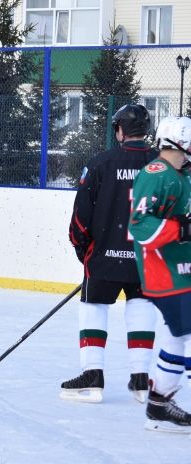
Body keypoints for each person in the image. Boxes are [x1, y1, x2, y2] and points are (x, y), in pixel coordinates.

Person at [61, 104, 158, 403]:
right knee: (141, 306)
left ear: (119, 130)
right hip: (147, 260)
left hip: (104, 256)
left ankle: (93, 376)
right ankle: (141, 381)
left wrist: (84, 250)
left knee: (94, 307)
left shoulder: (101, 163)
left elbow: (80, 217)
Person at [128, 115, 191, 432]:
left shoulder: (181, 175)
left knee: (177, 337)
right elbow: (140, 226)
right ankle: (160, 399)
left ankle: (159, 401)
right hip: (165, 275)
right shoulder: (157, 173)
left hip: (182, 271)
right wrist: (182, 228)